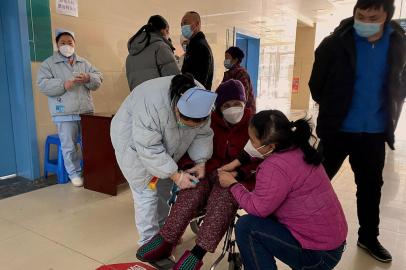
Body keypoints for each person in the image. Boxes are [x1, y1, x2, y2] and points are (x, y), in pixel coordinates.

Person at [309, 0, 406, 262]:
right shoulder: (335, 44)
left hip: (373, 133)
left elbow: (400, 81)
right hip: (337, 131)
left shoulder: (398, 44)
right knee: (315, 182)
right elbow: (316, 84)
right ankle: (302, 227)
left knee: (370, 187)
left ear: (387, 15)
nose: (365, 21)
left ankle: (368, 237)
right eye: (360, 15)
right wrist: (334, 108)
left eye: (373, 17)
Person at [136, 80, 259, 270]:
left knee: (223, 197)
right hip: (208, 169)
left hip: (237, 177)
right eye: (227, 105)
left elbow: (262, 159)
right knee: (191, 188)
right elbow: (188, 146)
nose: (232, 109)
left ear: (245, 103)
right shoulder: (208, 121)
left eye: (237, 104)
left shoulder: (255, 125)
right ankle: (166, 239)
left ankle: (197, 252)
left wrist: (239, 172)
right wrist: (188, 167)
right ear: (218, 107)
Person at [218, 110, 348, 270]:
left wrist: (232, 184)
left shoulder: (273, 167)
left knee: (247, 226)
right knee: (269, 216)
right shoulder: (299, 148)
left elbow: (258, 208)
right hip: (333, 241)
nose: (249, 144)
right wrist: (236, 164)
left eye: (252, 140)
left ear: (270, 146)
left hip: (319, 254)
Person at [110, 74, 217, 246]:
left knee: (164, 190)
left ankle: (163, 234)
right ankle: (148, 245)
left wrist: (201, 161)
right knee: (146, 194)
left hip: (166, 143)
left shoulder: (202, 100)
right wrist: (175, 175)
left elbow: (203, 133)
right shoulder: (151, 102)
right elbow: (149, 147)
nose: (190, 126)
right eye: (185, 121)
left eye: (195, 124)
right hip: (133, 143)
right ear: (176, 108)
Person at [37, 29, 103, 187]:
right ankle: (74, 173)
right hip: (64, 112)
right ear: (57, 44)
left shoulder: (84, 63)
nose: (67, 45)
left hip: (85, 111)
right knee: (69, 146)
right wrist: (63, 84)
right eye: (63, 43)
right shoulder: (48, 64)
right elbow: (43, 84)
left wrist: (88, 77)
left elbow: (98, 78)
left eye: (70, 43)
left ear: (75, 44)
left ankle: (91, 171)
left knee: (90, 144)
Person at [126, 15, 180, 90]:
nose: (168, 34)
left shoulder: (130, 55)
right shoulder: (161, 48)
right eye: (168, 31)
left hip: (139, 100)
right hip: (159, 100)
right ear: (163, 30)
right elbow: (176, 80)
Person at [181, 11, 214, 89]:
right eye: (181, 24)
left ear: (197, 24)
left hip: (195, 95)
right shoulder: (195, 44)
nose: (182, 27)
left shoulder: (199, 46)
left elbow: (198, 80)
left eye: (185, 23)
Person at [222, 46, 256, 112]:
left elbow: (243, 96)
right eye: (225, 58)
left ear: (235, 59)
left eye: (227, 58)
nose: (225, 61)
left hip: (243, 111)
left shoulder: (241, 73)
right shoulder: (229, 74)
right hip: (232, 109)